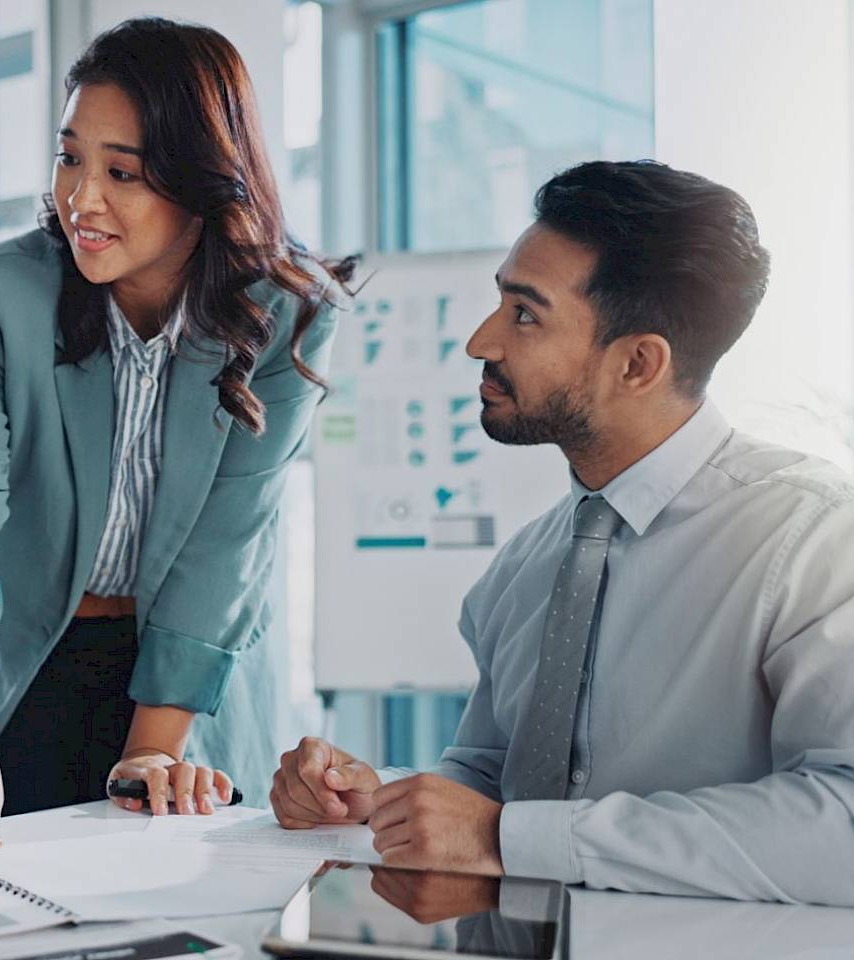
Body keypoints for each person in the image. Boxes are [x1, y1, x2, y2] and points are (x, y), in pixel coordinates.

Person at [270, 160, 854, 907]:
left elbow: (842, 823)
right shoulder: (529, 564)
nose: (481, 342)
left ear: (638, 363)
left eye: (524, 314)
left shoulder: (813, 540)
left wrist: (505, 839)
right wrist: (374, 799)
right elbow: (490, 780)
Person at [0, 16, 353, 871]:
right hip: (19, 664)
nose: (81, 199)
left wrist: (153, 752)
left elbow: (228, 544)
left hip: (186, 679)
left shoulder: (289, 314)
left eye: (122, 173)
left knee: (179, 902)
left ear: (204, 184)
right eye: (70, 158)